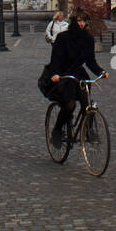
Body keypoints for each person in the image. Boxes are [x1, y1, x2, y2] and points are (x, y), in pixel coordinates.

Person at [45, 12, 107, 148]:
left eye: (84, 21)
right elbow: (55, 59)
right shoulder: (63, 37)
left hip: (79, 74)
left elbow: (91, 62)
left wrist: (101, 72)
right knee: (69, 105)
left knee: (87, 103)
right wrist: (54, 74)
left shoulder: (88, 39)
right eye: (79, 20)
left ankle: (89, 130)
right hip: (63, 74)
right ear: (74, 21)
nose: (82, 23)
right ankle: (57, 131)